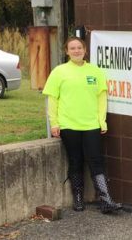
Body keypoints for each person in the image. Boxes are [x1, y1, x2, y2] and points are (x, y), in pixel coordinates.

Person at [42, 37, 122, 214]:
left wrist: (102, 121)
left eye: (79, 47)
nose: (76, 50)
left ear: (85, 50)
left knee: (96, 161)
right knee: (76, 161)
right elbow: (52, 100)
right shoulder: (59, 71)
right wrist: (54, 123)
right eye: (73, 48)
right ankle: (78, 198)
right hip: (69, 125)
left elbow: (101, 98)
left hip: (91, 125)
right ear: (67, 51)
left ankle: (106, 200)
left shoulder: (95, 71)